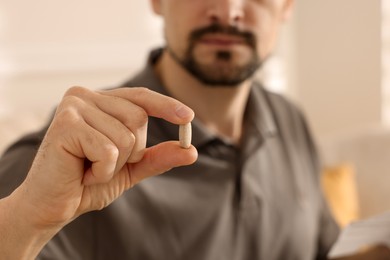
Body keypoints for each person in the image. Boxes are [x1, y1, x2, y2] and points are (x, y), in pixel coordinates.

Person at [0, 0, 340, 259]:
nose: (228, 11)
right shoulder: (76, 157)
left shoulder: (290, 119)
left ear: (287, 7)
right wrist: (26, 220)